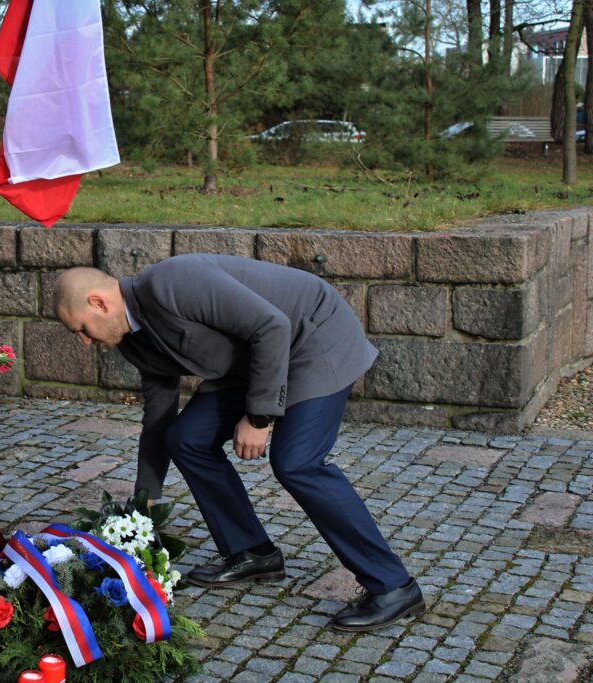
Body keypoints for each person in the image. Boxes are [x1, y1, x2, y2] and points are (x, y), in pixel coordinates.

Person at [52, 256, 426, 632]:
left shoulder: (172, 282)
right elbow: (159, 416)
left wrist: (259, 417)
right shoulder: (132, 342)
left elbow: (272, 325)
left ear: (98, 303)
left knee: (297, 462)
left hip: (313, 340)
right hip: (254, 361)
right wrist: (146, 496)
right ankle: (252, 552)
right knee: (186, 437)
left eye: (81, 328)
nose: (85, 341)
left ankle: (393, 586)